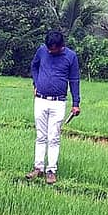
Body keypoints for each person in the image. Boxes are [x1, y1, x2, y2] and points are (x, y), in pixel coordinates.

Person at [25, 31, 81, 185]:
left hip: (58, 102)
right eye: (49, 48)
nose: (50, 51)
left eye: (53, 49)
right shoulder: (42, 50)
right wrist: (35, 83)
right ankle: (38, 168)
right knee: (40, 135)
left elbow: (75, 80)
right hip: (40, 100)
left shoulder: (71, 57)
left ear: (61, 46)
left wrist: (76, 103)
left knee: (54, 137)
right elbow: (34, 66)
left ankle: (51, 170)